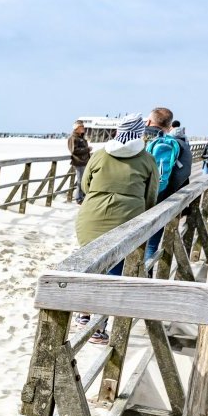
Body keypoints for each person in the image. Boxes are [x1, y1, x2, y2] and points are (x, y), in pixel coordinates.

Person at [75, 113, 159, 344]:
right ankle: (98, 328)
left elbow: (85, 185)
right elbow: (151, 194)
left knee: (92, 265)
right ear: (140, 134)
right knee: (114, 272)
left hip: (91, 217)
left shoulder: (100, 154)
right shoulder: (146, 159)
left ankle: (84, 317)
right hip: (127, 219)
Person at [142, 107, 182, 264]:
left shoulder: (139, 136)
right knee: (152, 243)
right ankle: (147, 275)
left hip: (138, 197)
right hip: (163, 197)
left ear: (150, 121)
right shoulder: (175, 143)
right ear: (169, 124)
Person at [67, 121, 92, 205]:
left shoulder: (81, 137)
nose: (83, 128)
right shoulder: (73, 138)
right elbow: (74, 150)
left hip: (85, 162)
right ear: (77, 128)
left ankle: (83, 196)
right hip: (79, 162)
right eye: (81, 127)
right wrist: (87, 149)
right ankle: (78, 198)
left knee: (85, 180)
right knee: (80, 181)